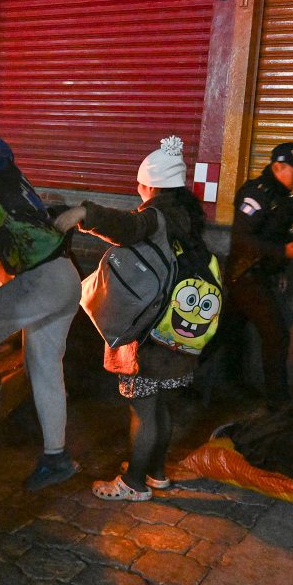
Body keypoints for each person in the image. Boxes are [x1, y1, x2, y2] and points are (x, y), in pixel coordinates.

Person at [54, 136, 208, 501]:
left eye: (140, 184)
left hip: (149, 334)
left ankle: (134, 483)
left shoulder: (153, 216)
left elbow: (125, 226)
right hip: (178, 332)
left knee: (143, 410)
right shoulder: (187, 218)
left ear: (150, 184)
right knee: (161, 407)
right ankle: (156, 473)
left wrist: (83, 214)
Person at [0, 132, 82, 491]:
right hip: (67, 276)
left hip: (42, 281)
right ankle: (57, 457)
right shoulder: (15, 180)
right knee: (46, 369)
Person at [215, 142, 293, 408]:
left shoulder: (283, 196)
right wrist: (282, 252)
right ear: (277, 167)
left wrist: (282, 265)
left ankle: (203, 383)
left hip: (260, 276)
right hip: (245, 276)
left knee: (226, 332)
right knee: (276, 335)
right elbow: (242, 239)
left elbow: (277, 234)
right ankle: (277, 401)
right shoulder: (257, 194)